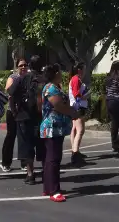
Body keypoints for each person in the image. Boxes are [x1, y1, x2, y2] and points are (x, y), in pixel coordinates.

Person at [40, 64, 78, 202]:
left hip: (58, 127)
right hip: (51, 127)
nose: (62, 74)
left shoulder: (56, 87)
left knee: (53, 158)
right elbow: (58, 105)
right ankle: (54, 190)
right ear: (55, 73)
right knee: (53, 159)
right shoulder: (50, 88)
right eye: (60, 72)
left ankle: (48, 187)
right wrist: (72, 112)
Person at [8, 55, 45, 185]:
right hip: (41, 117)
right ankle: (46, 172)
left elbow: (10, 94)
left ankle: (30, 174)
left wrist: (14, 112)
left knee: (26, 146)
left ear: (30, 65)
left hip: (23, 116)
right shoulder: (44, 80)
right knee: (43, 145)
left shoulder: (22, 79)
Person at [0, 59, 28, 172]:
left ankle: (24, 163)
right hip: (12, 112)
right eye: (21, 65)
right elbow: (8, 90)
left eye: (25, 65)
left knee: (24, 138)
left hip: (23, 112)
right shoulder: (13, 77)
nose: (23, 67)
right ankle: (5, 163)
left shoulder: (29, 78)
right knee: (11, 136)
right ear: (17, 67)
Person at [69, 62, 90, 165]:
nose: (85, 71)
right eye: (84, 69)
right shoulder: (76, 79)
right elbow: (77, 94)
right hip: (78, 107)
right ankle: (75, 153)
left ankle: (75, 150)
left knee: (75, 129)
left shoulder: (74, 79)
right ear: (79, 70)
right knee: (80, 130)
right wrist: (86, 95)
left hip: (75, 107)